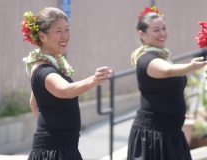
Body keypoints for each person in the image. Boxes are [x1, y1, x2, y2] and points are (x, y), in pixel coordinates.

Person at [21, 7, 112, 160]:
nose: (65, 36)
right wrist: (93, 80)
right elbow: (66, 91)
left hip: (61, 147)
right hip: (55, 151)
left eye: (67, 30)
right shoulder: (44, 70)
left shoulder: (51, 65)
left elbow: (33, 103)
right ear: (42, 36)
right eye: (59, 31)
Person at [127, 6, 207, 160]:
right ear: (142, 34)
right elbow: (169, 71)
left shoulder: (164, 56)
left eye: (164, 28)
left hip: (172, 132)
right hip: (153, 136)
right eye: (156, 30)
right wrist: (191, 66)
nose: (162, 33)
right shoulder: (146, 59)